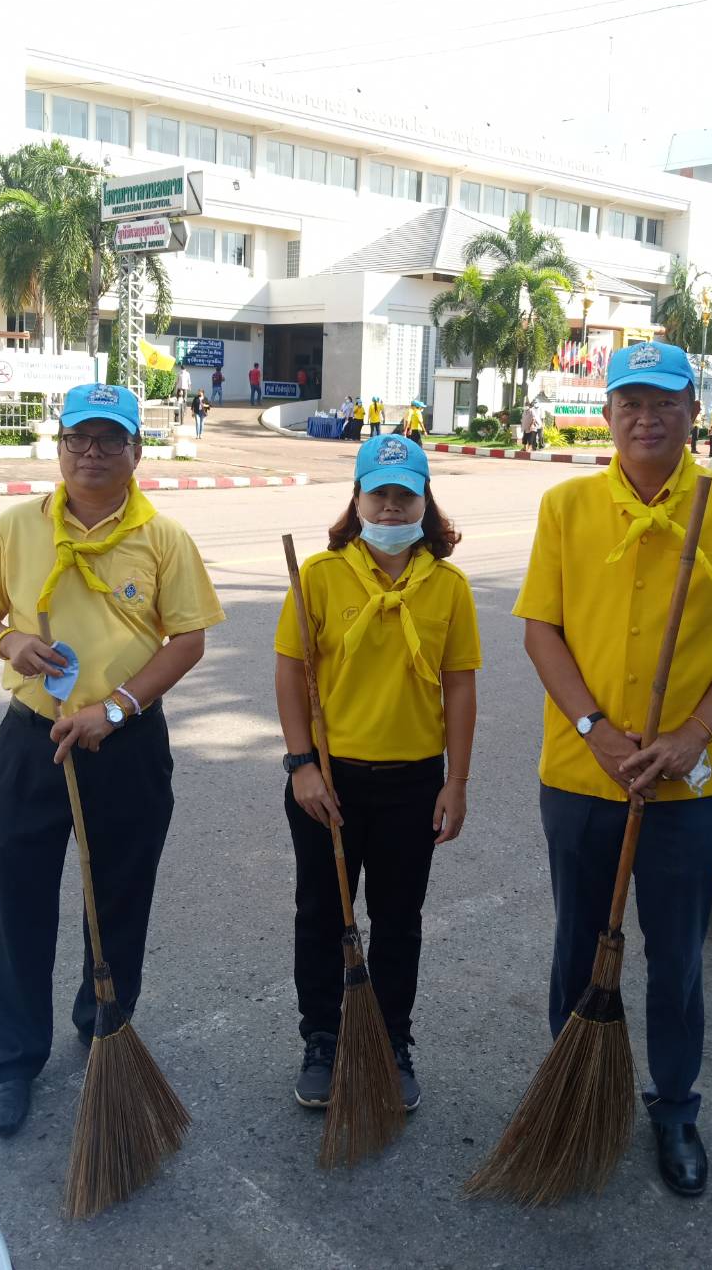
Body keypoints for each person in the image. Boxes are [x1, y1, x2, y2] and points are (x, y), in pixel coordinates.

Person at [513, 341, 712, 1197]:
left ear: (693, 415)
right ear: (606, 414)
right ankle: (573, 1095)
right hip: (581, 772)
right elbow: (541, 630)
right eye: (629, 401)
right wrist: (594, 726)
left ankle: (675, 1106)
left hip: (686, 782)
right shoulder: (565, 506)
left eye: (664, 402)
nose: (646, 416)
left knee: (677, 957)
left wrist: (695, 732)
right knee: (576, 948)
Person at [0, 383, 225, 1139]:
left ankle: (105, 1020)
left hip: (125, 743)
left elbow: (188, 639)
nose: (92, 453)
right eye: (79, 438)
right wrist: (9, 642)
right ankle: (11, 1060)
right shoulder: (15, 528)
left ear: (138, 450)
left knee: (120, 896)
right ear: (59, 444)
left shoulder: (163, 538)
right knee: (20, 900)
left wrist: (115, 708)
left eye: (110, 439)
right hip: (32, 740)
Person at [274, 432, 480, 1112]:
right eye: (379, 494)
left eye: (404, 496)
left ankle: (393, 1037)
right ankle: (321, 1037)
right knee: (322, 915)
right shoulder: (321, 578)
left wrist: (456, 781)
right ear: (356, 499)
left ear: (424, 502)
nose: (391, 509)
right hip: (330, 782)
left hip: (413, 783)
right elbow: (292, 674)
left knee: (399, 919)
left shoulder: (448, 587)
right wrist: (302, 764)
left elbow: (460, 686)